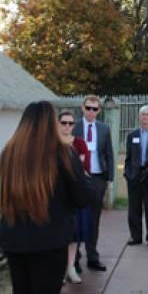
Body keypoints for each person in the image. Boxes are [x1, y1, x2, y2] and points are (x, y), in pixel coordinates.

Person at [0, 101, 90, 294]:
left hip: (14, 239)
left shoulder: (9, 153)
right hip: (47, 241)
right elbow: (82, 198)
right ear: (49, 124)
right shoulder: (62, 154)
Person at [73, 95, 114, 273]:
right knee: (76, 217)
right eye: (88, 108)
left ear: (99, 111)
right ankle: (74, 258)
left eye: (95, 109)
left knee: (94, 218)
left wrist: (109, 178)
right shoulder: (74, 127)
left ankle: (92, 256)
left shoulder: (104, 129)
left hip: (98, 177)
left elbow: (109, 154)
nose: (91, 112)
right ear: (82, 108)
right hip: (78, 177)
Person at [58, 110, 91, 284]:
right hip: (59, 197)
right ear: (57, 124)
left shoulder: (79, 143)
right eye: (64, 122)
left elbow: (85, 166)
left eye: (71, 123)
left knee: (75, 234)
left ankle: (71, 267)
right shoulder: (52, 144)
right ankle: (59, 269)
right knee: (60, 235)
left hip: (75, 194)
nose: (67, 126)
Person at [124, 105, 148, 246]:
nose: (145, 117)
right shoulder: (132, 136)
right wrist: (128, 173)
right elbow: (128, 157)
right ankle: (136, 236)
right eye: (142, 114)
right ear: (139, 117)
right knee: (134, 208)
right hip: (134, 175)